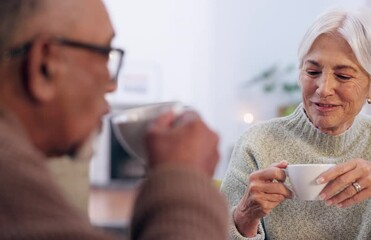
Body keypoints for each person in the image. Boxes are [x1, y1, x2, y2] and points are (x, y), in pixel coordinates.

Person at [0, 0, 227, 239]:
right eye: (105, 53)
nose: (112, 84)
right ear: (45, 65)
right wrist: (184, 178)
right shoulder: (10, 193)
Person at [221, 8, 371, 240]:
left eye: (343, 76)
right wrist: (243, 218)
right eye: (312, 71)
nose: (323, 89)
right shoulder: (257, 142)